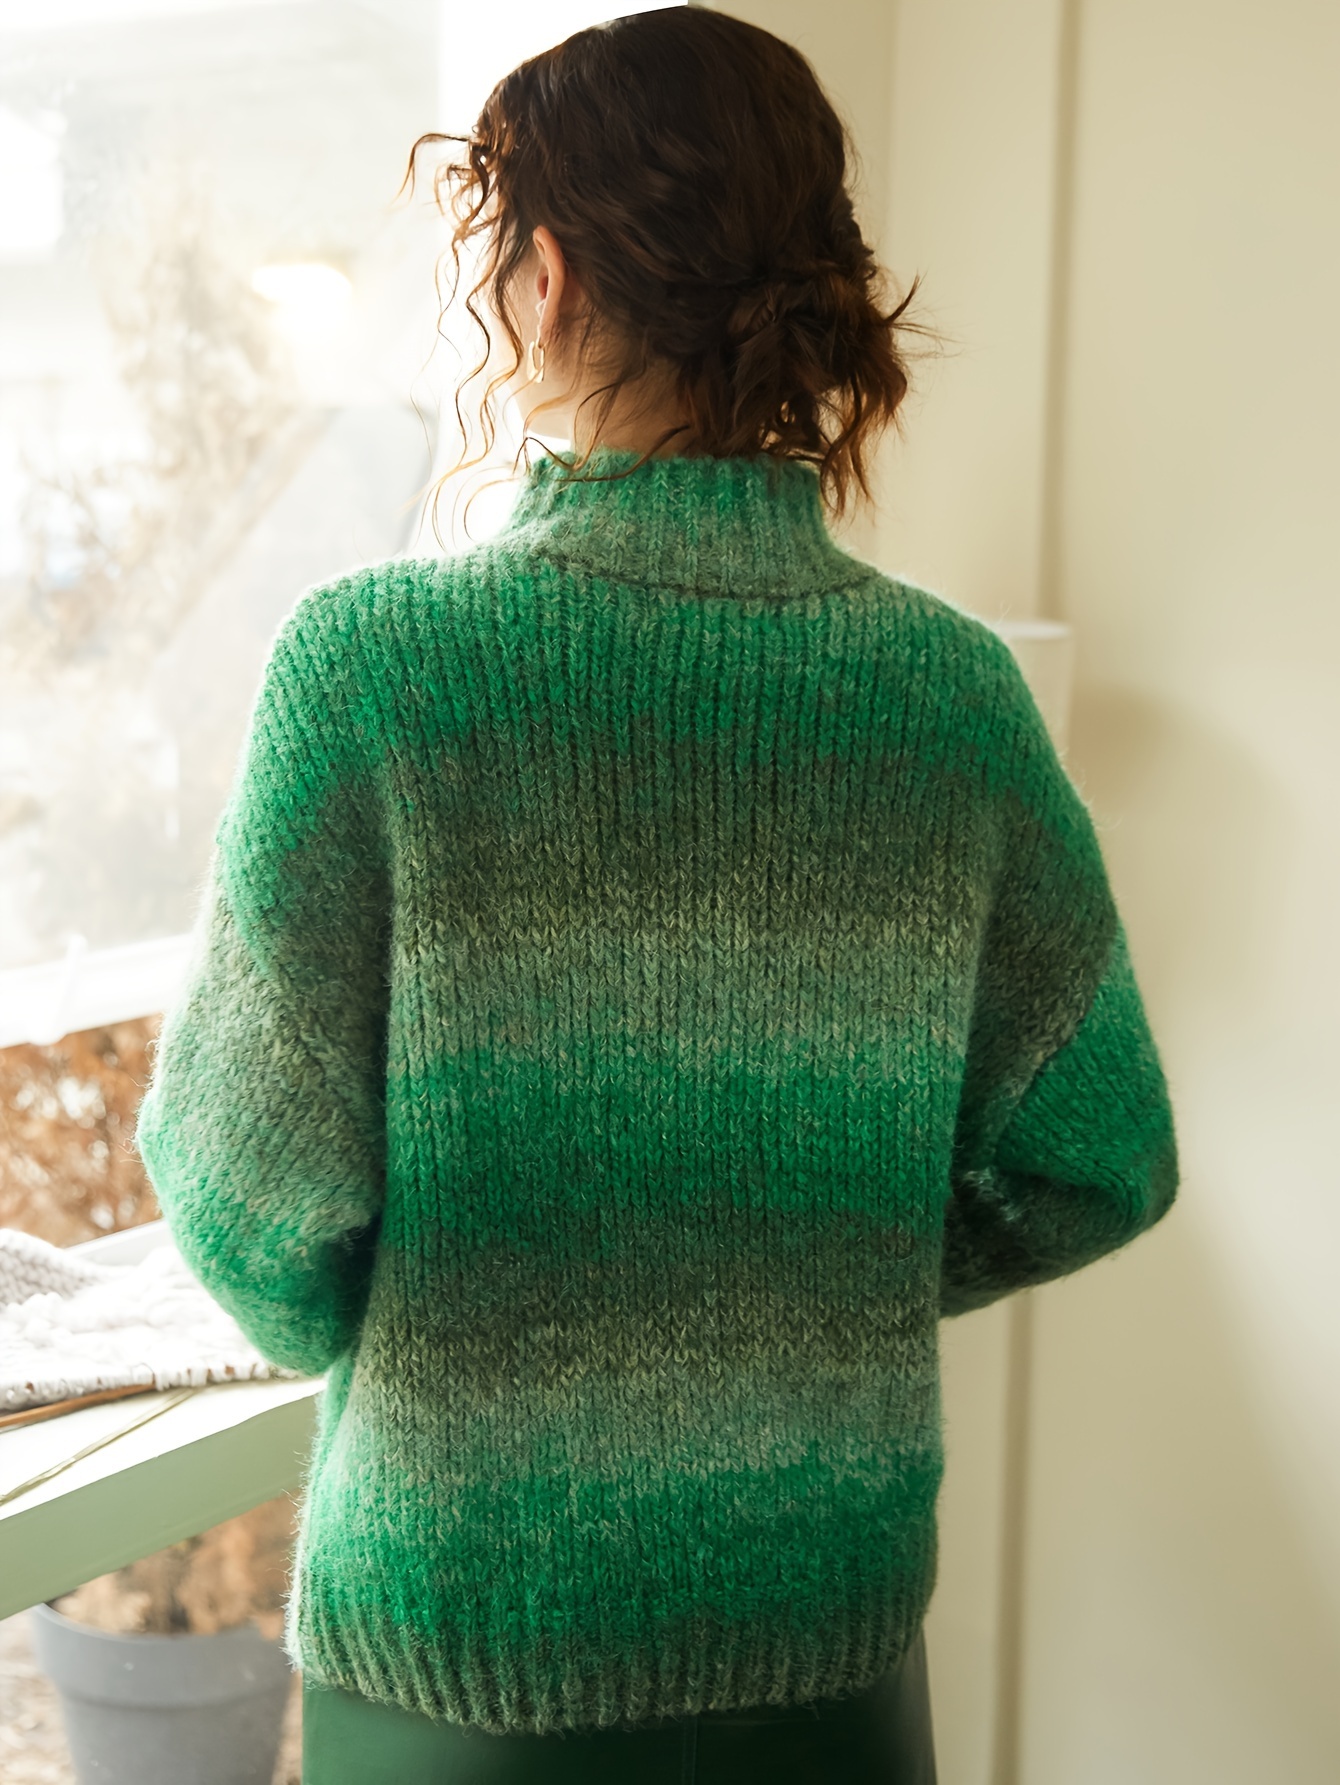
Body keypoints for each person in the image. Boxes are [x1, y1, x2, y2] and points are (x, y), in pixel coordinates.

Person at [132, 9, 1178, 1782]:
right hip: (825, 1649)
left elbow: (250, 1201)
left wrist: (478, 1295)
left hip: (465, 1657)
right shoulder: (951, 696)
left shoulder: (379, 669)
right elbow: (1101, 1154)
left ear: (544, 276)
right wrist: (804, 1268)